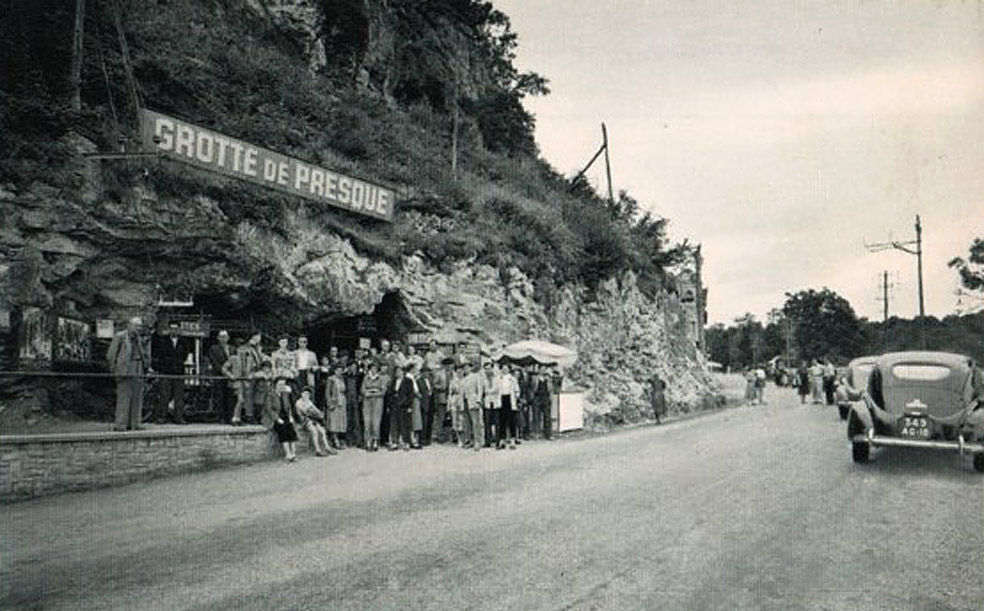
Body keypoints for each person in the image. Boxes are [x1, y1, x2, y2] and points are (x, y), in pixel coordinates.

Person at [107, 316, 152, 431]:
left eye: (140, 326)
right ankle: (121, 424)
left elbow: (145, 354)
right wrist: (114, 369)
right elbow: (111, 354)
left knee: (137, 396)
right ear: (129, 325)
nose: (138, 328)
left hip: (139, 367)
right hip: (125, 367)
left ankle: (135, 423)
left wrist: (146, 365)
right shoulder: (120, 336)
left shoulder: (140, 339)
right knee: (124, 396)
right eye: (136, 326)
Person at [154, 320, 193, 424]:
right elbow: (160, 355)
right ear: (169, 329)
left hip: (179, 371)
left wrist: (177, 362)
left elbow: (185, 356)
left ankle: (178, 417)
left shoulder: (184, 342)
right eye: (172, 328)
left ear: (179, 329)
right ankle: (162, 417)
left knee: (179, 396)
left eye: (176, 328)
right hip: (166, 371)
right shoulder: (163, 341)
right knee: (164, 395)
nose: (174, 330)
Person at [264, 376, 299, 462]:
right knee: (282, 428)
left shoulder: (285, 394)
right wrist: (277, 418)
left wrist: (290, 416)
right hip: (274, 417)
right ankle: (287, 454)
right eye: (280, 384)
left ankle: (293, 453)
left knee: (291, 428)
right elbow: (268, 409)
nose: (282, 386)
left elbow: (288, 407)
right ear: (275, 385)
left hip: (285, 416)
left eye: (283, 384)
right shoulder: (270, 394)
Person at [295, 386, 332, 456]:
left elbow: (315, 410)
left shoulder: (309, 402)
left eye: (308, 394)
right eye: (305, 394)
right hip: (304, 420)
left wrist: (319, 413)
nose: (306, 396)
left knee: (322, 431)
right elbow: (304, 412)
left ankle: (327, 447)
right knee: (314, 431)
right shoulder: (298, 402)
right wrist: (312, 411)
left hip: (312, 419)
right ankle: (318, 450)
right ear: (301, 394)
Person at [207, 330, 234, 423]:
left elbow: (235, 362)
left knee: (230, 397)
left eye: (225, 337)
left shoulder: (232, 349)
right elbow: (215, 363)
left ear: (228, 338)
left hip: (231, 377)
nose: (223, 339)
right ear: (218, 338)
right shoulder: (213, 349)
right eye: (221, 337)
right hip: (219, 376)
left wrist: (232, 373)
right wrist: (224, 372)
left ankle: (230, 416)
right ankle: (221, 417)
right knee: (219, 396)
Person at [361, 361, 386, 452]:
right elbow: (363, 390)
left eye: (375, 368)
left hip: (378, 401)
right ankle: (368, 440)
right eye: (372, 368)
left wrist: (375, 392)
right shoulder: (366, 378)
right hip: (367, 401)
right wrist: (368, 393)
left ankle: (375, 441)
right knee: (367, 421)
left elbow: (383, 391)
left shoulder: (380, 378)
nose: (374, 370)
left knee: (376, 421)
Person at [394, 362, 417, 451]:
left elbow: (410, 394)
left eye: (400, 371)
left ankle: (407, 442)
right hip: (396, 405)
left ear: (403, 372)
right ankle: (399, 441)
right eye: (397, 372)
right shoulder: (394, 381)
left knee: (407, 424)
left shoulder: (408, 380)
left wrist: (409, 406)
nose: (398, 373)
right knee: (398, 424)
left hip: (405, 405)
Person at [462, 361, 485, 451]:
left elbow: (480, 389)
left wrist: (478, 400)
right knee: (466, 423)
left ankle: (477, 441)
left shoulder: (475, 376)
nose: (465, 369)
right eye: (464, 368)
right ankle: (468, 441)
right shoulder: (463, 379)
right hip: (465, 401)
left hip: (473, 401)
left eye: (467, 367)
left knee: (475, 422)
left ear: (471, 368)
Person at [325, 365, 348, 449]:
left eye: (341, 370)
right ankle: (334, 439)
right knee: (334, 421)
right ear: (334, 371)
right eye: (337, 370)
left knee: (341, 421)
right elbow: (327, 392)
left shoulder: (342, 379)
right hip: (334, 401)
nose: (339, 372)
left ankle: (339, 438)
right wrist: (329, 403)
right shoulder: (331, 379)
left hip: (342, 400)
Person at [499, 364, 521, 449]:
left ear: (509, 369)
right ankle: (502, 441)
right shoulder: (499, 378)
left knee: (512, 421)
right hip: (501, 400)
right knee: (502, 421)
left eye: (506, 368)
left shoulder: (513, 379)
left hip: (510, 400)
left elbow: (517, 390)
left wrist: (516, 398)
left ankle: (512, 441)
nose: (504, 370)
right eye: (503, 368)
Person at [429, 358, 450, 444]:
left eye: (450, 365)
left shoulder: (453, 374)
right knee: (441, 417)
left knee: (451, 417)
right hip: (442, 397)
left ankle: (452, 435)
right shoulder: (439, 374)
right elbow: (434, 384)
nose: (449, 367)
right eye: (447, 365)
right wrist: (441, 388)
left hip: (452, 398)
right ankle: (439, 435)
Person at [447, 363, 468, 447]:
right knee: (455, 421)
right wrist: (449, 405)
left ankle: (466, 439)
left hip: (463, 401)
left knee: (463, 421)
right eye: (458, 372)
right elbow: (450, 393)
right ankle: (459, 439)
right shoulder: (453, 382)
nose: (460, 373)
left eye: (461, 371)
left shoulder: (466, 380)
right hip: (455, 402)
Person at [533, 365, 553, 440]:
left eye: (544, 369)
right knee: (536, 417)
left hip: (546, 398)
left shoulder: (548, 378)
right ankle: (536, 433)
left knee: (547, 417)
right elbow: (531, 388)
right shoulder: (534, 378)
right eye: (541, 369)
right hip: (537, 398)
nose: (543, 371)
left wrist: (551, 398)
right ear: (538, 370)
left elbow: (551, 389)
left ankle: (548, 434)